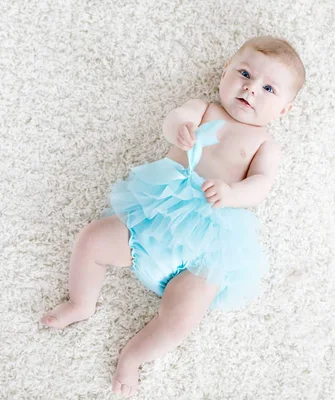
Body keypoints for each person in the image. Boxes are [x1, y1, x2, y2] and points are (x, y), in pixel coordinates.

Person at [40, 35, 305, 397]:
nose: (250, 89)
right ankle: (81, 303)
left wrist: (232, 194)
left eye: (269, 88)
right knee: (92, 239)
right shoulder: (205, 110)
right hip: (155, 213)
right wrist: (179, 129)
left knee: (185, 315)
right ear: (225, 70)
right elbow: (175, 118)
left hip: (207, 242)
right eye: (244, 73)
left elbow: (262, 183)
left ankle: (133, 356)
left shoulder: (264, 144)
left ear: (284, 110)